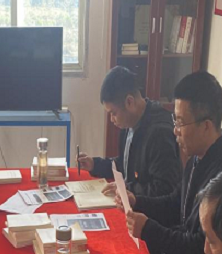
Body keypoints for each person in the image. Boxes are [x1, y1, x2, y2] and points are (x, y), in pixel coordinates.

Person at [122, 71, 222, 254]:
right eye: (175, 121)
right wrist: (137, 202)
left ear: (206, 125)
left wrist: (149, 229)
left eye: (180, 123)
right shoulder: (197, 158)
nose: (175, 131)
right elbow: (175, 204)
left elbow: (198, 249)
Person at [77, 66, 181, 198]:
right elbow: (124, 165)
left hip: (148, 209)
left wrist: (125, 188)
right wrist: (94, 164)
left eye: (113, 113)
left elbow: (164, 189)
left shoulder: (159, 133)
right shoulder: (130, 122)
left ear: (129, 102)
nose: (111, 119)